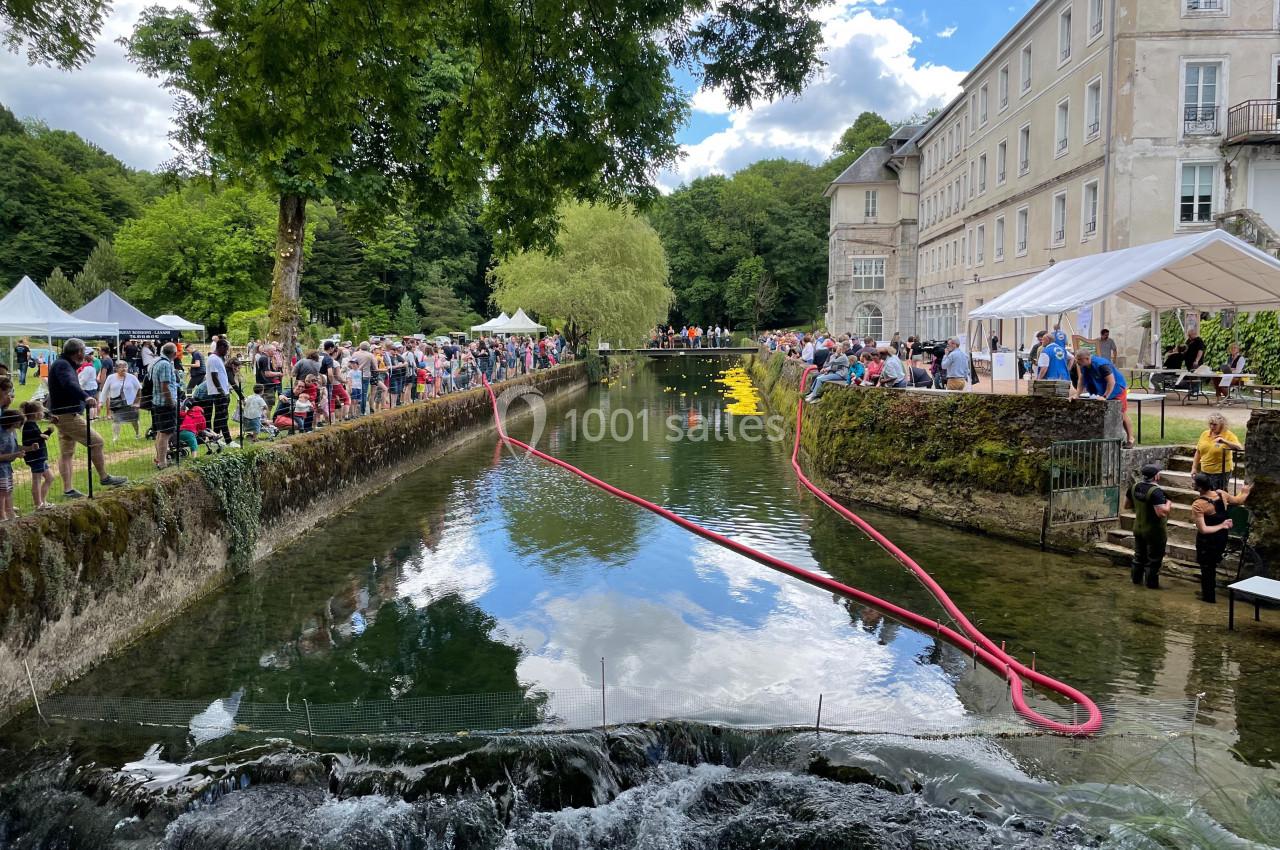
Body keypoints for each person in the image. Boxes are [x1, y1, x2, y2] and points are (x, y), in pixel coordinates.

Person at [48, 338, 127, 497]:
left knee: (67, 452)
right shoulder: (63, 365)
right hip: (67, 415)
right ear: (78, 352)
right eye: (83, 351)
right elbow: (69, 384)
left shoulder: (62, 364)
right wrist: (85, 397)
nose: (84, 355)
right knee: (96, 442)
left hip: (61, 413)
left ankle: (68, 490)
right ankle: (104, 477)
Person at [1191, 472, 1250, 603]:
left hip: (1207, 541)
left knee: (1207, 569)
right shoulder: (1221, 494)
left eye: (1194, 483)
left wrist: (1222, 525)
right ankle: (1208, 592)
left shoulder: (1198, 504)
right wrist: (1245, 492)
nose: (1192, 484)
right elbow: (1238, 500)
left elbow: (1203, 529)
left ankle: (1209, 598)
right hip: (1221, 538)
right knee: (1211, 566)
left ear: (1199, 487)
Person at [1074, 350, 1133, 445]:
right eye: (1076, 360)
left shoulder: (1102, 365)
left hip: (1117, 388)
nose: (1077, 362)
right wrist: (1077, 395)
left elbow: (1111, 381)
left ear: (1087, 358)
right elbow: (1081, 380)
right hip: (1102, 389)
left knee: (1121, 413)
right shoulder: (1083, 366)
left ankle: (1130, 439)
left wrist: (1105, 396)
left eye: (1079, 360)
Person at [1129, 464, 1171, 589]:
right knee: (1153, 561)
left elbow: (1127, 505)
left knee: (1138, 557)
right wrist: (1168, 503)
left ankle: (1136, 582)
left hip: (1138, 528)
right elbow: (1161, 513)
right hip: (1154, 532)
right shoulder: (1156, 492)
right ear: (1156, 476)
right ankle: (1151, 587)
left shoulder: (1134, 487)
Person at [1190, 412, 1243, 492]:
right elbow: (1198, 452)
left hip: (1220, 472)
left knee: (1218, 494)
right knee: (1204, 493)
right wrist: (1194, 468)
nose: (1212, 426)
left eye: (1215, 425)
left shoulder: (1228, 435)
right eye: (1210, 424)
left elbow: (1239, 447)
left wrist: (1224, 441)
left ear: (1221, 425)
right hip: (1204, 470)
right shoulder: (1205, 434)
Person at [151, 342, 181, 469]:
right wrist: (171, 402)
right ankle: (162, 463)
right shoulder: (165, 365)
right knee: (165, 434)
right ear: (174, 353)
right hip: (165, 404)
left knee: (160, 433)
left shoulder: (157, 362)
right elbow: (165, 386)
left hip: (157, 402)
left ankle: (159, 459)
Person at [19, 400, 54, 509]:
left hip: (40, 457)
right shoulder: (29, 426)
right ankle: (38, 504)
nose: (43, 414)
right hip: (35, 458)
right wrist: (47, 433)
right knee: (37, 479)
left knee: (50, 478)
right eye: (42, 412)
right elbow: (37, 439)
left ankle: (42, 501)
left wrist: (47, 432)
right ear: (35, 414)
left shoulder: (32, 425)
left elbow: (39, 437)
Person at [99, 359, 143, 441]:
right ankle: (115, 437)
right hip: (116, 403)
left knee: (134, 420)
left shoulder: (132, 377)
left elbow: (139, 389)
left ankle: (137, 434)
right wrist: (101, 402)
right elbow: (105, 390)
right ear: (116, 368)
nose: (124, 369)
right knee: (116, 420)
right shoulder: (110, 378)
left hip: (130, 403)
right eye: (121, 367)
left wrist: (138, 402)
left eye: (125, 367)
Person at [204, 337, 236, 447]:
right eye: (226, 349)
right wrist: (221, 390)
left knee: (220, 417)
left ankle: (216, 439)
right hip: (218, 393)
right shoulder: (213, 359)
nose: (227, 352)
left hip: (222, 392)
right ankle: (228, 440)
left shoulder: (218, 358)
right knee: (222, 417)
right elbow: (214, 376)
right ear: (221, 347)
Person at [0, 410, 25, 519]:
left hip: (7, 467)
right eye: (20, 421)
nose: (21, 423)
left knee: (8, 489)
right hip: (1, 467)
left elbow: (15, 447)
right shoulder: (1, 434)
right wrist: (16, 455)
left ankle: (10, 513)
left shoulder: (12, 432)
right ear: (14, 422)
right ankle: (2, 517)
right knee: (2, 491)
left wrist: (29, 448)